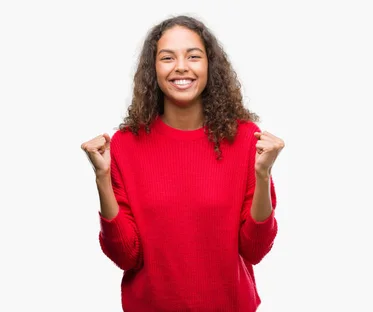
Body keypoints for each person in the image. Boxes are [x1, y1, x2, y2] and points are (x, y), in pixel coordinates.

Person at [80, 15, 285, 312]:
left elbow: (254, 249)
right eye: (167, 57)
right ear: (153, 69)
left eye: (193, 56)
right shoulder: (124, 145)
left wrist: (263, 174)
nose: (181, 67)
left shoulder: (245, 140)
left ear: (209, 66)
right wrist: (102, 178)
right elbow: (126, 256)